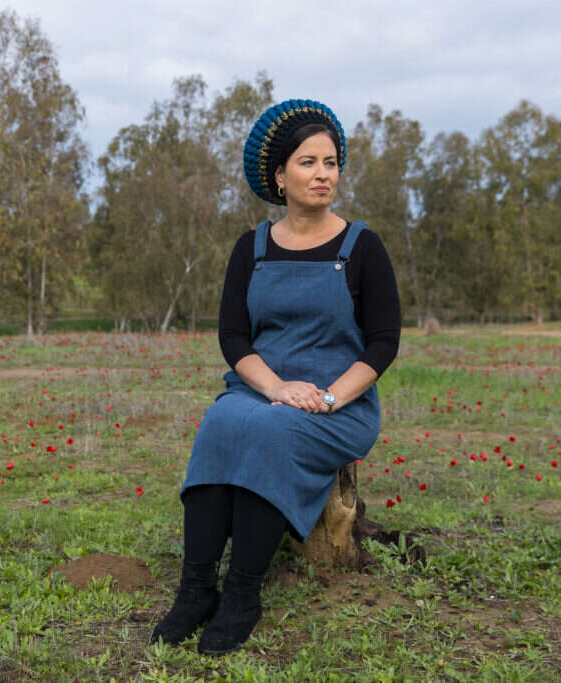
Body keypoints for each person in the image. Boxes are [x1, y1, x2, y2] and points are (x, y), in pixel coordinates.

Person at [150, 99, 401, 655]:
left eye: (331, 162)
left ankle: (242, 594)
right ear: (280, 176)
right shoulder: (253, 248)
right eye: (308, 163)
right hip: (263, 388)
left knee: (269, 433)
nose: (323, 174)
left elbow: (384, 342)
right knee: (221, 422)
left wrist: (332, 397)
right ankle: (195, 592)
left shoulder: (362, 247)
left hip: (339, 404)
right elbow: (234, 337)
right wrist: (274, 388)